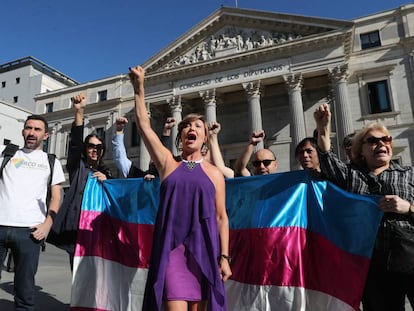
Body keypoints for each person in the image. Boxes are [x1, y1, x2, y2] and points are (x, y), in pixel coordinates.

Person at [129, 65, 231, 311]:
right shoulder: (168, 164)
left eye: (198, 126)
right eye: (186, 126)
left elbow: (221, 217)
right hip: (173, 251)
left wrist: (225, 257)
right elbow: (143, 125)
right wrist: (139, 87)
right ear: (180, 136)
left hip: (205, 251)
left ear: (205, 137)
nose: (191, 129)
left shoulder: (215, 173)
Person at [314, 103, 414, 311]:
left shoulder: (409, 173)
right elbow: (326, 158)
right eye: (373, 141)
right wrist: (323, 127)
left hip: (410, 253)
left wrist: (409, 207)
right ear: (361, 151)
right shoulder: (352, 176)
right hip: (372, 262)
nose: (381, 144)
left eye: (385, 140)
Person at [0, 115, 65, 310]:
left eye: (37, 129)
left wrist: (47, 225)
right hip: (1, 225)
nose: (31, 133)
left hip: (30, 232)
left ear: (46, 135)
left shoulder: (51, 161)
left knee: (25, 291)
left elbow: (56, 197)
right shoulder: (6, 153)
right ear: (23, 131)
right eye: (28, 128)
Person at [48, 93, 112, 270]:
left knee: (97, 275)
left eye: (99, 147)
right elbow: (75, 144)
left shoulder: (106, 173)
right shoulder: (77, 167)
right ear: (86, 149)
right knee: (78, 275)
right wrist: (79, 112)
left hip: (98, 229)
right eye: (91, 146)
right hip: (77, 227)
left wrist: (107, 181)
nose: (95, 150)